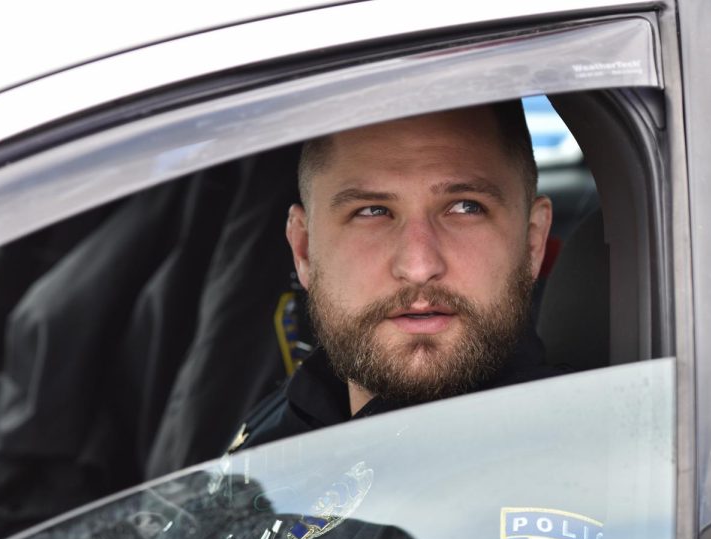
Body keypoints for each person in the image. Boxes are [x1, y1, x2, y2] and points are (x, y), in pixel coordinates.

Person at [228, 100, 557, 452]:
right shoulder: (268, 444)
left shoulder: (603, 475)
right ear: (304, 249)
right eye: (372, 211)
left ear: (533, 242)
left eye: (465, 207)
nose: (419, 265)